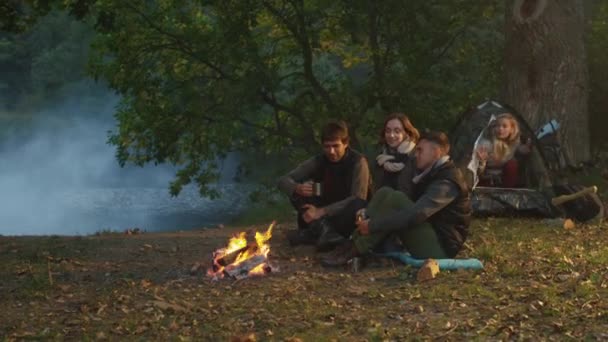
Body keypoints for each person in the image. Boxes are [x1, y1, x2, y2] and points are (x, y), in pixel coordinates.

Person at [321, 131, 472, 267]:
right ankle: (351, 244)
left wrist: (373, 225)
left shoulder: (447, 181)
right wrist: (368, 213)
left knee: (396, 199)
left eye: (420, 150)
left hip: (441, 248)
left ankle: (356, 249)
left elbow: (416, 214)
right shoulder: (430, 173)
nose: (415, 154)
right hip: (431, 232)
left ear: (437, 153)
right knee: (386, 192)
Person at [277, 120, 371, 251]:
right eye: (327, 146)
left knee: (357, 203)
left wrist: (321, 212)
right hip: (325, 208)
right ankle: (324, 233)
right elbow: (283, 180)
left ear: (346, 143)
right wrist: (297, 188)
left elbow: (358, 198)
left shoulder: (358, 162)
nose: (331, 151)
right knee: (299, 192)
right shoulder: (319, 160)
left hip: (347, 213)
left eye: (336, 146)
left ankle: (316, 234)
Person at [476, 113, 531, 188]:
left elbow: (518, 149)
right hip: (486, 180)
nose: (500, 129)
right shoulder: (486, 144)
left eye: (504, 126)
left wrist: (523, 150)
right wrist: (482, 162)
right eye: (497, 126)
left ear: (511, 129)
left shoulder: (514, 144)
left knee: (512, 164)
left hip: (503, 181)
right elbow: (478, 173)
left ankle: (509, 191)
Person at [374, 113, 419, 197]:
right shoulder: (381, 158)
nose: (391, 135)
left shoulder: (415, 156)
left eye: (397, 131)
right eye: (388, 131)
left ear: (407, 133)